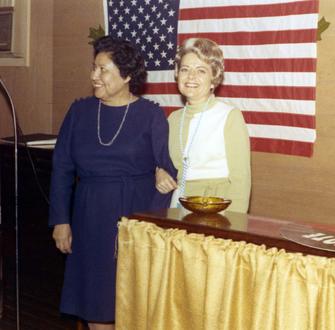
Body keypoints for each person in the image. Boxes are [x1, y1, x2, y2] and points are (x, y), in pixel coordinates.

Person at [48, 36, 175, 329]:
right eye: (94, 68)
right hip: (89, 218)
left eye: (103, 70)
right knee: (96, 306)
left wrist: (148, 230)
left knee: (133, 305)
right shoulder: (79, 112)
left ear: (127, 75)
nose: (94, 76)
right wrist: (61, 221)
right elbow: (62, 169)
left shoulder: (151, 115)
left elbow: (166, 173)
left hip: (134, 219)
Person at [155, 38, 251, 213]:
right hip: (178, 206)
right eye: (185, 69)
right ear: (177, 74)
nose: (191, 77)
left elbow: (241, 180)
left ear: (214, 78)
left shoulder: (229, 116)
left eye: (201, 71)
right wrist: (159, 172)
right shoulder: (173, 119)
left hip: (216, 209)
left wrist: (234, 225)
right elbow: (164, 163)